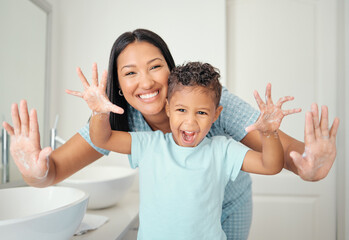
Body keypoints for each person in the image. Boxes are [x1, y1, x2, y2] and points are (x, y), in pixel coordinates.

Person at [2, 29, 339, 240]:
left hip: (228, 209)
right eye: (130, 73)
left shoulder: (211, 103)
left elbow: (288, 157)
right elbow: (53, 170)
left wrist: (307, 166)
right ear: (118, 85)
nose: (145, 82)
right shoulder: (120, 119)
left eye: (155, 66)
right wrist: (36, 171)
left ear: (172, 69)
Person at [71, 61, 299, 240]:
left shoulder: (223, 150)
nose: (190, 122)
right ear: (168, 108)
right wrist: (99, 111)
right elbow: (102, 137)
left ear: (216, 114)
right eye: (181, 110)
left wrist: (269, 133)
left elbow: (271, 166)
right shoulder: (149, 145)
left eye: (201, 113)